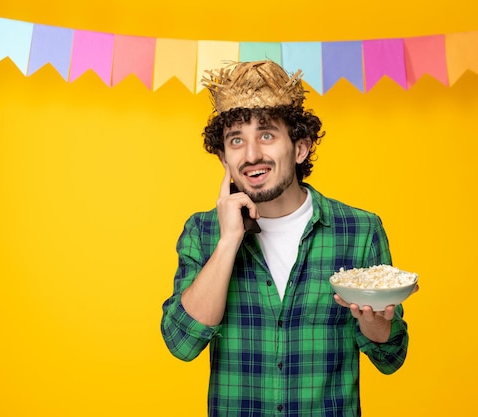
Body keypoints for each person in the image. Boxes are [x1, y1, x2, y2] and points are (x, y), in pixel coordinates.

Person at [161, 60, 418, 416]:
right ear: (223, 157)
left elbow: (391, 357)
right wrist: (227, 242)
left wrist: (376, 323)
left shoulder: (358, 230)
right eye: (237, 140)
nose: (251, 155)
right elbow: (181, 343)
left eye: (266, 135)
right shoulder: (202, 232)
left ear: (300, 148)